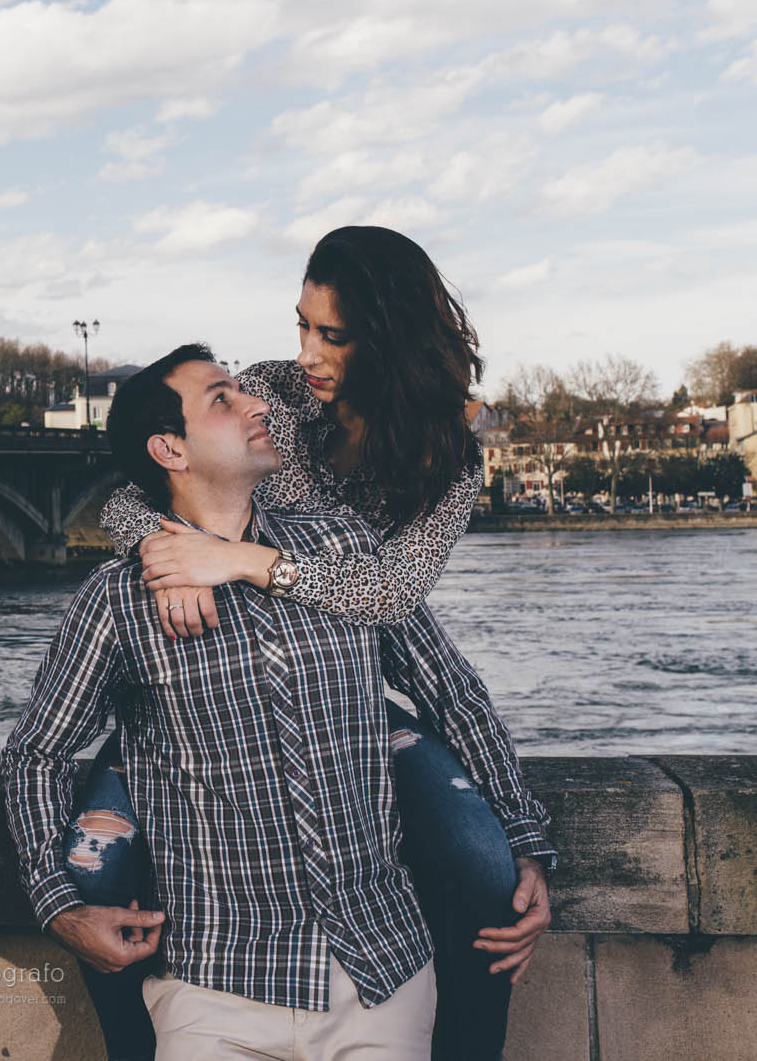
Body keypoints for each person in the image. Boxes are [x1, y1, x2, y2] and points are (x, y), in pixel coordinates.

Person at [81, 226, 550, 1061]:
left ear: (391, 338)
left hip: (346, 695)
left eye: (332, 334)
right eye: (302, 324)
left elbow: (392, 600)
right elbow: (127, 495)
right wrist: (170, 550)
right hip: (203, 699)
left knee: (486, 866)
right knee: (95, 872)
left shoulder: (447, 461)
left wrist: (244, 561)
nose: (306, 353)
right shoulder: (274, 396)